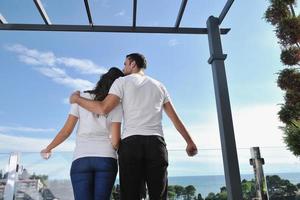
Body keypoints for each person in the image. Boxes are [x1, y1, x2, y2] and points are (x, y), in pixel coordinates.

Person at [70, 53, 198, 200]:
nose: (123, 68)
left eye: (125, 64)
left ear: (132, 63)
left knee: (131, 196)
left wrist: (77, 99)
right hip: (156, 145)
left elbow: (103, 108)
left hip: (131, 145)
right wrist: (189, 141)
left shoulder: (121, 82)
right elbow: (175, 118)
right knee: (158, 195)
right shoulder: (160, 86)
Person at [41, 67, 124, 200]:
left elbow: (66, 131)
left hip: (81, 158)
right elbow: (115, 141)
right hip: (106, 158)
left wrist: (49, 148)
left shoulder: (80, 98)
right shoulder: (117, 105)